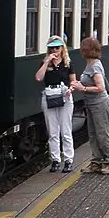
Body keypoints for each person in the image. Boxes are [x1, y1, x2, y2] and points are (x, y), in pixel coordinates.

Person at [72, 37, 109, 175]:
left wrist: (82, 88)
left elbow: (100, 87)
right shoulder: (90, 64)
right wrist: (79, 84)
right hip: (91, 103)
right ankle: (96, 161)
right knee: (93, 133)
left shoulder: (95, 66)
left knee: (103, 133)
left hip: (99, 103)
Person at [35, 36, 75, 173]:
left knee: (65, 130)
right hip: (49, 95)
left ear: (62, 48)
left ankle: (69, 160)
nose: (54, 50)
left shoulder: (67, 63)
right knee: (53, 131)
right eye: (51, 47)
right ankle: (55, 160)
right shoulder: (45, 63)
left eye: (57, 47)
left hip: (64, 96)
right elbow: (39, 77)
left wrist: (71, 89)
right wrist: (47, 62)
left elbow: (73, 81)